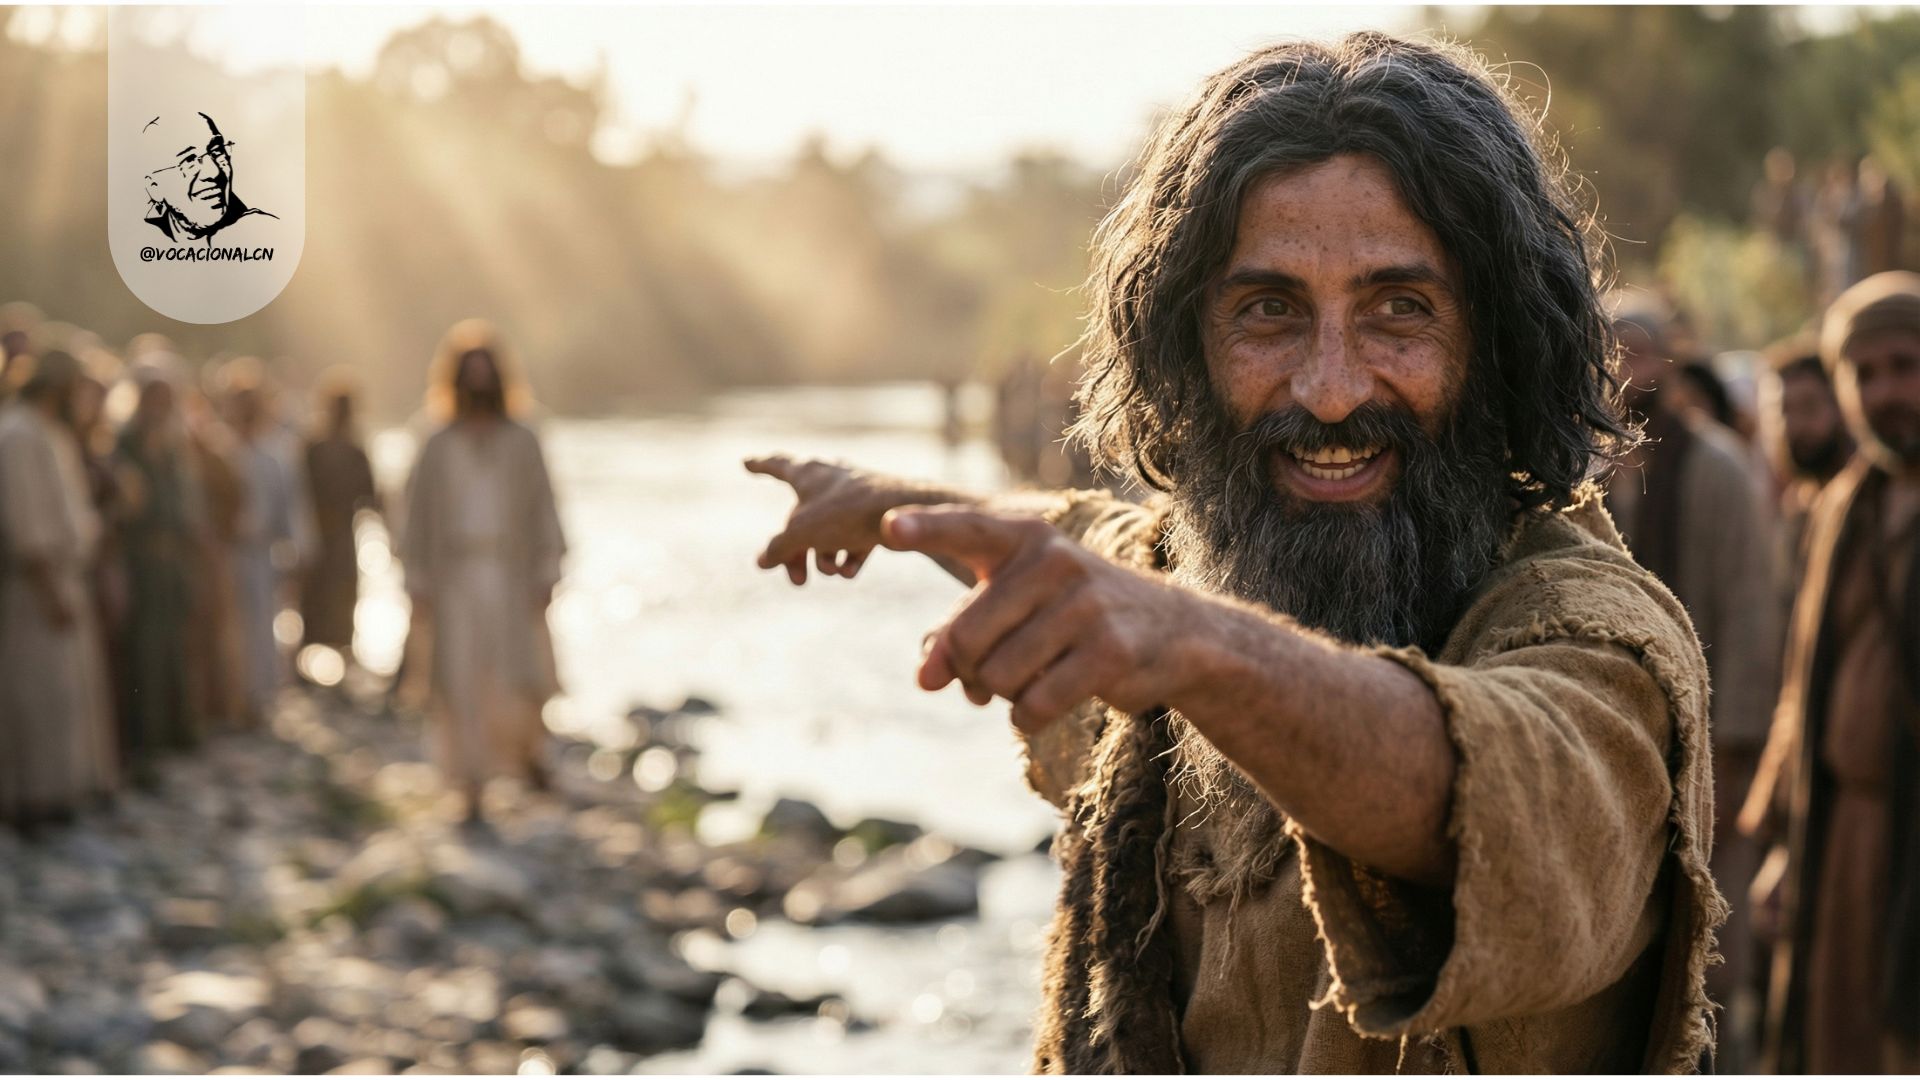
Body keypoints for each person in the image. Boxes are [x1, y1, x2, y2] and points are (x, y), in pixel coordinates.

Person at [748, 34, 1719, 1073]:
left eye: (1402, 310)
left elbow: (1505, 803)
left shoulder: (1598, 640)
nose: (1332, 389)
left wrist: (1190, 650)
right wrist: (888, 504)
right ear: (1187, 353)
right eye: (1269, 311)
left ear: (1498, 345)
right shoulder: (1190, 577)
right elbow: (1089, 544)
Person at [1741, 270, 1920, 1074]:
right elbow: (1802, 685)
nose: (1886, 393)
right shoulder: (1842, 509)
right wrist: (1783, 841)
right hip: (1842, 833)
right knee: (1831, 1042)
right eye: (1865, 373)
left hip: (1913, 842)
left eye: (1904, 367)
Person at [1605, 313, 1780, 1070]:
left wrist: (1735, 750)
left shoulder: (1719, 468)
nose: (1632, 367)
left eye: (1644, 349)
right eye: (1617, 350)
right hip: (1612, 749)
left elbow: (1749, 615)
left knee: (1709, 956)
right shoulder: (1581, 465)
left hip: (1708, 754)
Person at [400, 320, 565, 822]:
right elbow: (414, 512)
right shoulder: (436, 441)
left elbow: (544, 507)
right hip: (454, 576)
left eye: (484, 371)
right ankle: (467, 782)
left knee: (516, 673)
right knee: (458, 677)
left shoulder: (523, 438)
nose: (477, 381)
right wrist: (416, 579)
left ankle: (517, 763)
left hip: (510, 572)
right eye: (468, 371)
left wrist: (547, 568)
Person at [0, 351, 118, 825]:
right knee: (35, 693)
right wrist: (48, 587)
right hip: (37, 587)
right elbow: (26, 524)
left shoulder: (49, 432)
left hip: (63, 578)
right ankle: (33, 798)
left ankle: (64, 790)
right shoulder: (17, 434)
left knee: (65, 695)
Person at [114, 368, 206, 773]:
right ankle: (147, 736)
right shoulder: (125, 444)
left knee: (175, 645)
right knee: (146, 649)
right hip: (142, 559)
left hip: (171, 560)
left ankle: (177, 729)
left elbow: (185, 503)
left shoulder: (173, 446)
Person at [222, 364, 303, 726]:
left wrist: (294, 551)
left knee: (261, 623)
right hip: (227, 552)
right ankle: (233, 697)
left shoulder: (274, 455)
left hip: (260, 552)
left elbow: (287, 506)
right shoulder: (221, 451)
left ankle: (259, 697)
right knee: (230, 626)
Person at [299, 372, 381, 668]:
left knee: (338, 594)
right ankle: (316, 654)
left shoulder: (345, 449)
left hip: (338, 535)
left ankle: (340, 653)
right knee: (319, 595)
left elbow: (371, 498)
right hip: (321, 533)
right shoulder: (316, 447)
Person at [139, 112, 278, 246]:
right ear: (155, 188)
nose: (213, 172)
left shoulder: (264, 235)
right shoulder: (140, 241)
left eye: (217, 151)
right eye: (189, 160)